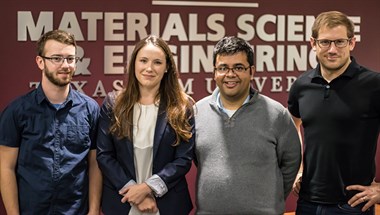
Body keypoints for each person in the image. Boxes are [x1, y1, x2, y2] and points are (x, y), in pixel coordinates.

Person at [194, 36, 302, 215]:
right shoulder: (198, 112)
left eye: (238, 67)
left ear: (251, 71)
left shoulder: (277, 114)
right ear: (214, 72)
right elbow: (200, 160)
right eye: (223, 68)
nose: (230, 75)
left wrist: (270, 199)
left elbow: (291, 162)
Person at [0, 29, 102, 214]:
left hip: (77, 210)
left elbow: (95, 164)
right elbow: (5, 167)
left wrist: (94, 211)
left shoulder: (90, 109)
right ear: (40, 62)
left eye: (70, 59)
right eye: (56, 58)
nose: (65, 65)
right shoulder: (16, 111)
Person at [288, 11, 380, 215]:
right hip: (307, 202)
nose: (332, 50)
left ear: (352, 43)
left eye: (339, 42)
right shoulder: (302, 86)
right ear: (313, 43)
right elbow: (294, 123)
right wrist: (300, 169)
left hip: (354, 205)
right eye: (325, 42)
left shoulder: (374, 84)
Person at [96, 35, 195, 215]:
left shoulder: (182, 107)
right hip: (122, 202)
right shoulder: (113, 103)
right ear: (134, 64)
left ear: (166, 68)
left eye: (157, 62)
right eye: (143, 60)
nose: (149, 68)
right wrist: (134, 192)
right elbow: (104, 156)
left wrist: (148, 188)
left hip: (167, 205)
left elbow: (183, 159)